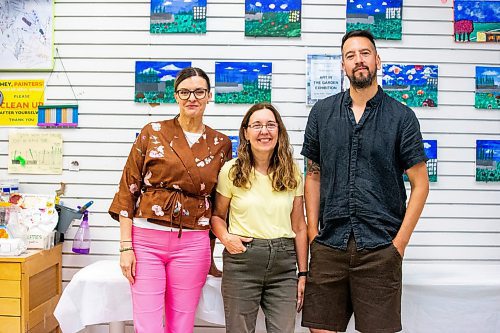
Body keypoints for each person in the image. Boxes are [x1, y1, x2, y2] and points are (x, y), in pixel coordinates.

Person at [301, 30, 430, 333]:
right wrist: (311, 233)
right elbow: (313, 174)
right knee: (320, 329)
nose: (358, 60)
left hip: (380, 249)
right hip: (329, 245)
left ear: (377, 60)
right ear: (342, 66)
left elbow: (420, 184)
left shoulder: (402, 117)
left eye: (365, 53)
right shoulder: (321, 113)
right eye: (350, 55)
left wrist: (399, 244)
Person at [108, 67, 232, 333]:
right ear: (176, 96)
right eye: (184, 92)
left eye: (199, 91)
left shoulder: (221, 143)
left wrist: (211, 255)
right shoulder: (152, 131)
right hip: (146, 241)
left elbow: (218, 202)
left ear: (209, 96)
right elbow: (127, 189)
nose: (192, 98)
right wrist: (125, 247)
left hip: (193, 243)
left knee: (182, 323)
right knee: (148, 323)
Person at [211, 103, 308, 333]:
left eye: (270, 125)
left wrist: (303, 273)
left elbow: (299, 226)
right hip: (243, 262)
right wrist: (226, 238)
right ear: (246, 132)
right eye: (257, 125)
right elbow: (217, 216)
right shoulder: (230, 170)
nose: (264, 131)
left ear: (279, 131)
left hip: (284, 266)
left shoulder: (292, 171)